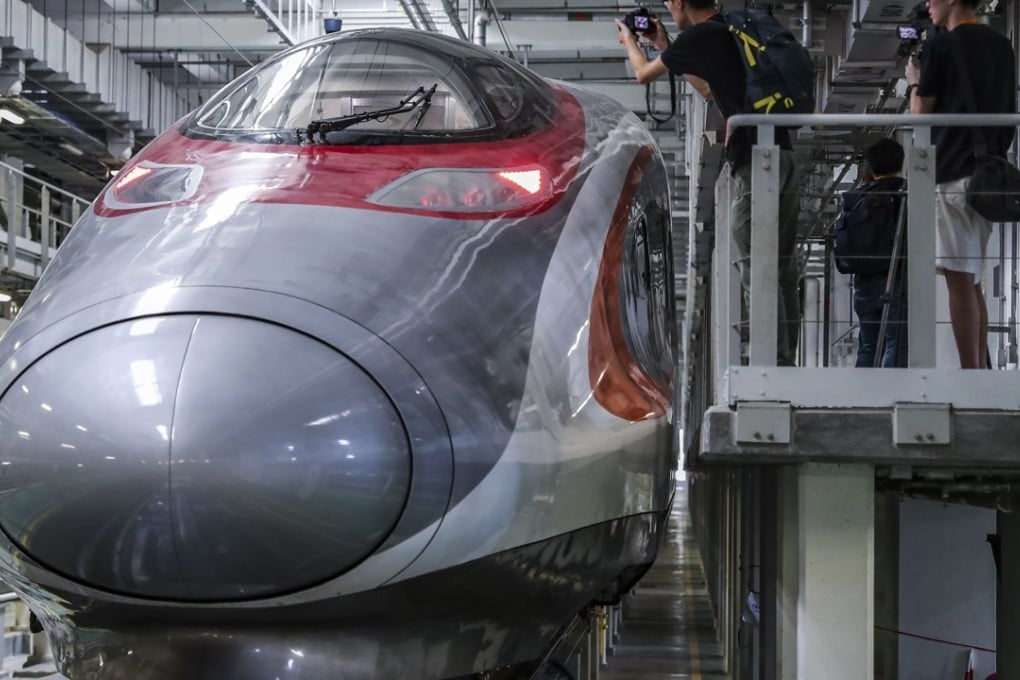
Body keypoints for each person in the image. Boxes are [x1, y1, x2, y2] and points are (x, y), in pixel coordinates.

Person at [615, 0, 803, 366]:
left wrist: (630, 39)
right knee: (780, 265)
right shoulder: (732, 28)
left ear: (681, 3)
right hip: (785, 155)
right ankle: (783, 360)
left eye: (670, 3)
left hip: (757, 163)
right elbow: (707, 90)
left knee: (754, 261)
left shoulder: (700, 36)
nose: (669, 10)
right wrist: (664, 44)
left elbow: (642, 75)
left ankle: (771, 365)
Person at [904, 0, 1016, 368]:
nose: (927, 5)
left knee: (958, 279)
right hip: (989, 172)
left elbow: (921, 114)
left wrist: (914, 83)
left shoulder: (941, 46)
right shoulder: (1002, 44)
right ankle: (980, 369)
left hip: (952, 170)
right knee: (971, 276)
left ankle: (972, 374)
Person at [846, 138, 908, 367]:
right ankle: (893, 396)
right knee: (897, 344)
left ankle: (863, 398)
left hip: (863, 283)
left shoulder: (857, 198)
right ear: (901, 163)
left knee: (868, 346)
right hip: (897, 280)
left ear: (871, 166)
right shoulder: (906, 194)